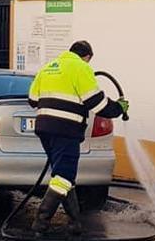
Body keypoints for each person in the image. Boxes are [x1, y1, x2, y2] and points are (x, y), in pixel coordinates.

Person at [28, 40, 129, 237]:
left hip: (44, 128)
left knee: (63, 176)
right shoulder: (81, 68)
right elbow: (97, 104)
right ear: (87, 57)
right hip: (66, 130)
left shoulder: (49, 66)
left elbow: (32, 99)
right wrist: (118, 108)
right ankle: (40, 222)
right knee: (64, 177)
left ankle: (75, 222)